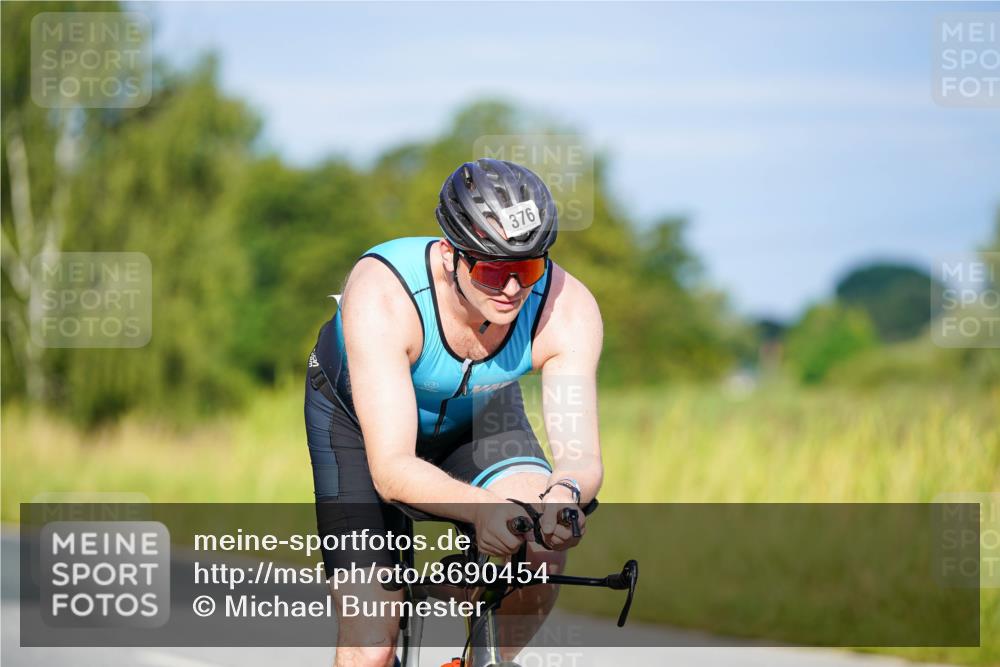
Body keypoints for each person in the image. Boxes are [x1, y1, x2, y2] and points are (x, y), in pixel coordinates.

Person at [304, 158, 604, 666]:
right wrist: (481, 509)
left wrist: (565, 497)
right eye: (492, 271)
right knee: (370, 645)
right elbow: (392, 469)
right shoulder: (384, 293)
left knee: (541, 547)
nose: (512, 290)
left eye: (528, 269)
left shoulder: (567, 308)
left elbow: (580, 460)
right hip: (356, 422)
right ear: (450, 256)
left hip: (479, 415)